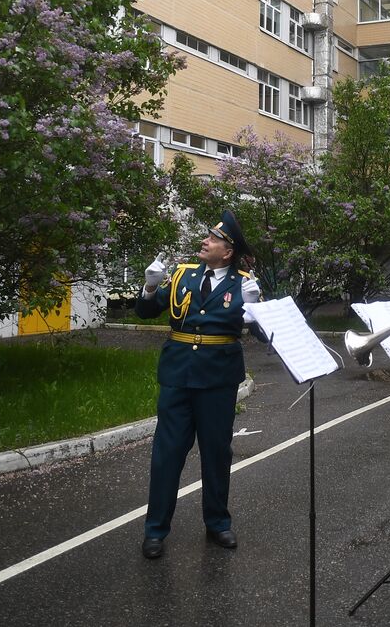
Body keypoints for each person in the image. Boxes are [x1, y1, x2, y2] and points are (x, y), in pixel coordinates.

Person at [135, 211, 261, 559]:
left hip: (218, 380)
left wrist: (255, 309)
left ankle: (218, 523)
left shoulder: (244, 284)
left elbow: (265, 335)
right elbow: (146, 312)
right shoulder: (181, 275)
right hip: (177, 377)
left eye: (213, 239)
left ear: (228, 251)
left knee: (217, 453)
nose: (204, 242)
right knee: (167, 455)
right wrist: (149, 287)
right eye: (206, 237)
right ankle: (155, 530)